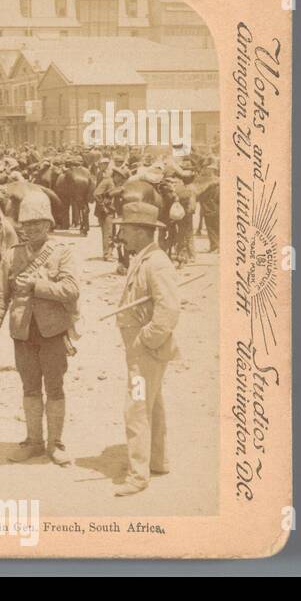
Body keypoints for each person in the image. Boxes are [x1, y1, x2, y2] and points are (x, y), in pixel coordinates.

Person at [0, 189, 80, 465]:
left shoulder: (61, 254)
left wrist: (38, 286)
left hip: (53, 332)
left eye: (38, 224)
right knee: (29, 388)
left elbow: (72, 290)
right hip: (22, 334)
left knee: (55, 387)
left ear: (49, 225)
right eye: (27, 225)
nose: (32, 229)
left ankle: (56, 443)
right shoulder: (12, 256)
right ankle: (34, 441)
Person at [113, 202, 181, 497]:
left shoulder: (157, 263)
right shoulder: (142, 258)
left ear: (141, 232)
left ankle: (138, 475)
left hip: (145, 351)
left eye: (126, 229)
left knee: (137, 407)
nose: (122, 234)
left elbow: (168, 309)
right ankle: (158, 461)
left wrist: (145, 339)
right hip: (141, 350)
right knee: (153, 403)